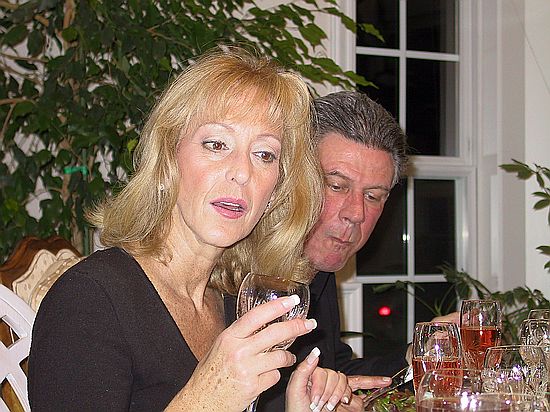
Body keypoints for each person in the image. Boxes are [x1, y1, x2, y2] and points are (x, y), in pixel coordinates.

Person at [27, 46, 351, 411]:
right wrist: (205, 399)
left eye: (264, 154)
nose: (242, 172)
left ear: (276, 189)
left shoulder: (236, 302)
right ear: (169, 159)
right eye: (217, 144)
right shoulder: (89, 299)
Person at [258, 91, 459, 411]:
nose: (356, 213)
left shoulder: (318, 266)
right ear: (291, 175)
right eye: (337, 186)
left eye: (373, 196)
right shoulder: (232, 269)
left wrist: (415, 358)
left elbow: (334, 373)